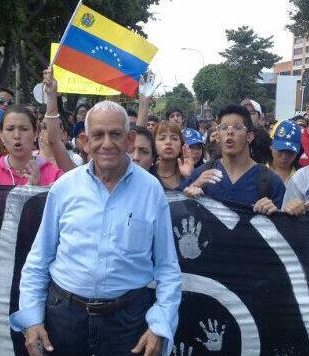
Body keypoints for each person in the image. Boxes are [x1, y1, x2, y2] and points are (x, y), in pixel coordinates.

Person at [10, 100, 181, 356]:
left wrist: (160, 325)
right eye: (98, 135)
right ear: (85, 141)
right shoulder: (64, 187)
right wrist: (32, 320)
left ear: (131, 140)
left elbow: (167, 267)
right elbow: (38, 260)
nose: (107, 143)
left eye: (116, 134)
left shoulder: (151, 190)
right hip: (63, 319)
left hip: (128, 322)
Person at [183, 105, 285, 214]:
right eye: (224, 127)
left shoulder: (270, 182)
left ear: (249, 137)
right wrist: (191, 191)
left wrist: (276, 211)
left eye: (237, 127)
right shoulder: (201, 175)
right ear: (217, 136)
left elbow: (286, 225)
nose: (230, 132)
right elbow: (176, 211)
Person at [0, 106, 63, 186]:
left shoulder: (56, 177)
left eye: (24, 129)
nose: (17, 135)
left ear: (36, 133)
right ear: (1, 135)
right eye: (10, 129)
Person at [152, 121, 193, 190]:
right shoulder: (147, 173)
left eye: (174, 139)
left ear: (181, 147)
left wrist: (188, 177)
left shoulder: (190, 174)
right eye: (162, 138)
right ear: (154, 145)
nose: (168, 142)